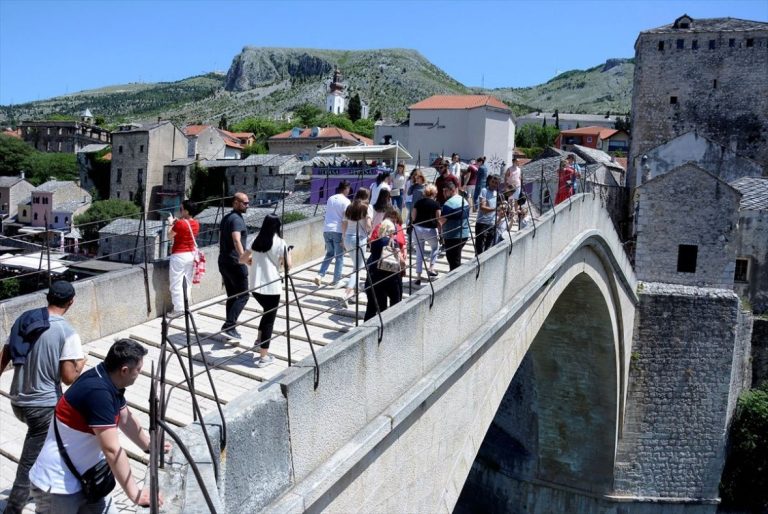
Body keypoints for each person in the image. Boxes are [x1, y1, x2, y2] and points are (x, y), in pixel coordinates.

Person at [29, 338, 161, 512]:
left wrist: (150, 446)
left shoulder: (108, 378)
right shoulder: (98, 393)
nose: (140, 373)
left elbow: (125, 418)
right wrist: (135, 494)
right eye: (138, 369)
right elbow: (112, 450)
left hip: (89, 478)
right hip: (59, 485)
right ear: (124, 370)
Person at [0, 281, 86, 514]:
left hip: (17, 399)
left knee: (53, 445)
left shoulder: (24, 319)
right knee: (30, 459)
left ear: (48, 298)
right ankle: (13, 509)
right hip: (43, 406)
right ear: (71, 302)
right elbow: (68, 378)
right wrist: (81, 364)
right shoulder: (67, 332)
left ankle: (56, 487)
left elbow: (6, 353)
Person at [240, 214, 291, 368]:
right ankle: (263, 357)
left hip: (255, 286)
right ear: (277, 226)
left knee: (266, 312)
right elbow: (288, 265)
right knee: (269, 319)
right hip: (272, 286)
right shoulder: (281, 242)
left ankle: (258, 341)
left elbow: (242, 259)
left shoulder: (255, 239)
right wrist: (290, 252)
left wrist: (252, 262)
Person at [218, 192, 250, 341]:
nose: (247, 205)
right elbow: (237, 240)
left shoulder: (226, 218)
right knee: (244, 295)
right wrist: (243, 258)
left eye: (247, 202)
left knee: (232, 295)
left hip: (223, 260)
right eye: (244, 203)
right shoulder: (236, 220)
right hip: (234, 262)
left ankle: (230, 328)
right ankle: (229, 325)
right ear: (236, 203)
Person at [363, 220, 404, 321]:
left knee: (373, 307)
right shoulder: (393, 243)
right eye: (394, 232)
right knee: (396, 302)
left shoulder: (374, 243)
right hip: (390, 278)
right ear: (390, 231)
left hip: (374, 278)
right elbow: (402, 262)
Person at [314, 181, 351, 287]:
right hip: (338, 230)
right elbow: (344, 219)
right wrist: (344, 236)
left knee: (329, 254)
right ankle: (336, 280)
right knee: (339, 256)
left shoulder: (330, 198)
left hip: (327, 230)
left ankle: (320, 275)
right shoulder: (346, 201)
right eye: (348, 189)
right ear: (346, 189)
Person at [340, 188, 373, 307]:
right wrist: (370, 232)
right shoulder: (366, 208)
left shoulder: (349, 207)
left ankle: (354, 294)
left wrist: (343, 239)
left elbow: (343, 224)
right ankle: (347, 293)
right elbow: (368, 225)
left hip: (348, 238)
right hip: (359, 239)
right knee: (358, 268)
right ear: (365, 197)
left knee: (356, 266)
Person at [167, 200, 200, 316]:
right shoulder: (196, 223)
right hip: (191, 255)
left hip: (179, 255)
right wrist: (178, 223)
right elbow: (186, 230)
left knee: (176, 283)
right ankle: (186, 306)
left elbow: (169, 235)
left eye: (181, 209)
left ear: (186, 211)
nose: (180, 211)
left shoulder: (180, 224)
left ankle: (178, 310)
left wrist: (171, 223)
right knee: (187, 282)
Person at [411, 184, 441, 286]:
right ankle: (431, 267)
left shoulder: (418, 202)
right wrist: (441, 233)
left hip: (417, 228)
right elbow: (438, 219)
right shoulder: (436, 204)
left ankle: (418, 277)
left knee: (419, 252)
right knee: (435, 247)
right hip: (429, 230)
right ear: (434, 193)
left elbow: (413, 217)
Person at [440, 180, 470, 271]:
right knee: (456, 259)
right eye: (443, 191)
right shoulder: (463, 200)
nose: (444, 193)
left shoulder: (449, 204)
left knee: (453, 262)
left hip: (452, 237)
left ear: (452, 190)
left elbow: (441, 221)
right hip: (464, 234)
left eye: (445, 191)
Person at [475, 174, 500, 255]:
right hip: (482, 223)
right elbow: (482, 207)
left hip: (492, 224)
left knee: (488, 248)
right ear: (489, 181)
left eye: (496, 183)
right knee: (479, 249)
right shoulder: (484, 191)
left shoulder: (497, 194)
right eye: (492, 182)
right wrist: (495, 209)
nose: (494, 184)